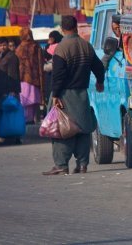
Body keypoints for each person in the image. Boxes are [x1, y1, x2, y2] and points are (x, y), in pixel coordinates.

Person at [43, 15, 105, 176]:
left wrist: (55, 95)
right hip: (82, 94)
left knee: (62, 129)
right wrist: (100, 81)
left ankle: (61, 165)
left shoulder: (61, 49)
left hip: (65, 94)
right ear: (76, 27)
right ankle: (83, 164)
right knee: (83, 130)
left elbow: (58, 75)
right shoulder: (86, 46)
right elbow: (98, 67)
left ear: (62, 29)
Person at [0, 37, 22, 146]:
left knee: (10, 115)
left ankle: (12, 138)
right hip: (2, 91)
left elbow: (13, 75)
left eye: (4, 45)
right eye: (0, 45)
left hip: (9, 91)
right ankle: (11, 137)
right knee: (6, 115)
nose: (2, 47)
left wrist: (12, 91)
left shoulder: (11, 57)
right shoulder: (1, 57)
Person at [16, 27, 45, 124]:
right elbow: (41, 64)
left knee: (24, 103)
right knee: (33, 103)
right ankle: (32, 120)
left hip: (22, 80)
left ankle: (26, 121)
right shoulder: (36, 47)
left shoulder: (19, 48)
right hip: (35, 79)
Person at [43, 30, 64, 104]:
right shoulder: (47, 46)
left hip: (56, 72)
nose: (50, 40)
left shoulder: (61, 46)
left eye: (51, 38)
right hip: (48, 74)